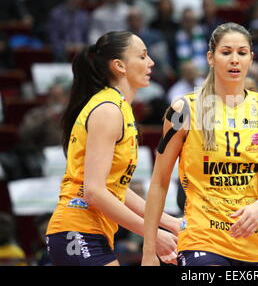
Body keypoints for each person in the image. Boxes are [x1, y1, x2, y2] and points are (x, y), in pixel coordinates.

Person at [142, 22, 258, 266]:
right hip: (202, 241)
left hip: (252, 245)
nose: (234, 59)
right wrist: (149, 252)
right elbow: (159, 183)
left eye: (242, 53)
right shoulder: (183, 109)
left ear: (251, 59)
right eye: (226, 52)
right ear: (211, 58)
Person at [45, 31, 180, 266]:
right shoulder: (108, 110)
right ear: (119, 66)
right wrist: (151, 234)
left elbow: (116, 187)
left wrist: (168, 222)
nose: (151, 62)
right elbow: (94, 191)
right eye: (142, 56)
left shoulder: (119, 107)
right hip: (75, 232)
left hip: (92, 234)